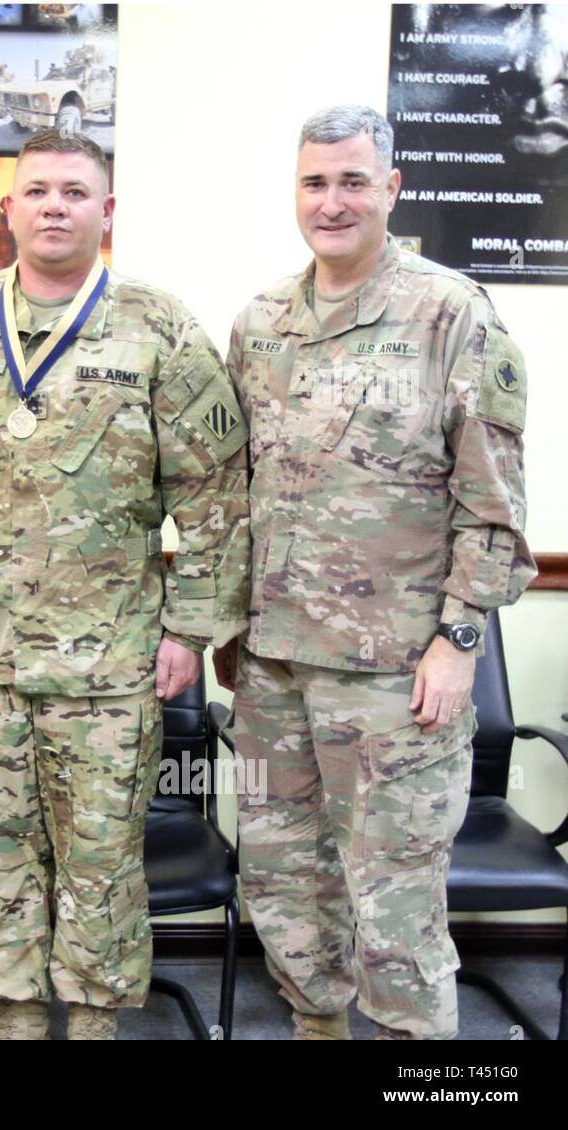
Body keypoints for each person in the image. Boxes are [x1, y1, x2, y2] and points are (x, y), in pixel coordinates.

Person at [0, 129, 250, 1039]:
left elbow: (213, 487)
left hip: (112, 668)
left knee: (102, 862)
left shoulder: (159, 328)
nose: (53, 207)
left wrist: (189, 632)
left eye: (75, 193)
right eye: (37, 190)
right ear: (7, 208)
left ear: (105, 212)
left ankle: (90, 1026)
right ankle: (12, 1020)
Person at [218, 105, 535, 1040]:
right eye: (316, 181)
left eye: (354, 180)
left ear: (391, 189)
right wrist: (231, 631)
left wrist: (459, 640)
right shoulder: (261, 322)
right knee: (284, 896)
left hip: (400, 679)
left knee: (395, 922)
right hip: (273, 671)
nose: (333, 200)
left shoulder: (452, 315)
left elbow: (494, 506)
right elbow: (237, 489)